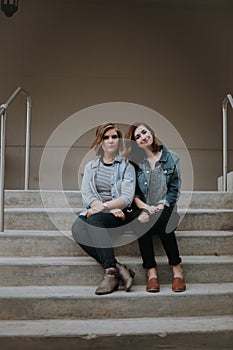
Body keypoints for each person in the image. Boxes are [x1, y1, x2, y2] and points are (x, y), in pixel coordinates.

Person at [72, 122, 136, 295]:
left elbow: (127, 197)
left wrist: (106, 207)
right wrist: (104, 209)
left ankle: (110, 274)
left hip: (121, 214)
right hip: (100, 212)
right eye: (106, 137)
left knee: (92, 219)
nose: (110, 141)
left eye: (114, 137)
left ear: (119, 140)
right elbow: (87, 195)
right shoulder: (91, 167)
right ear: (100, 142)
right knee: (77, 228)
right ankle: (117, 268)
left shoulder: (126, 167)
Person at [125, 122, 186, 293]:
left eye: (144, 132)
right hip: (145, 209)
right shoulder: (135, 163)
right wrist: (145, 209)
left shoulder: (172, 158)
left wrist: (160, 205)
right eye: (138, 137)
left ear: (151, 132)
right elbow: (134, 193)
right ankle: (152, 273)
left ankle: (177, 269)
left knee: (162, 218)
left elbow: (174, 190)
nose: (143, 137)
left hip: (166, 210)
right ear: (135, 143)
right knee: (141, 221)